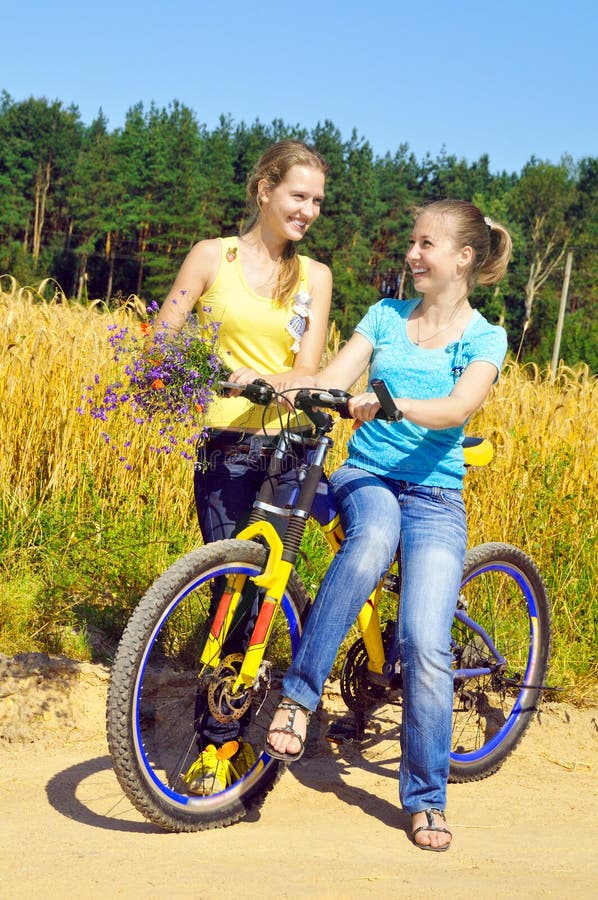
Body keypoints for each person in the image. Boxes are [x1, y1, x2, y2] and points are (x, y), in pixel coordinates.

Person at [265, 198, 512, 851]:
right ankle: (298, 696)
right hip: (366, 477)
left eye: (426, 244)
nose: (412, 254)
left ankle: (426, 797)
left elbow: (461, 405)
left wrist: (396, 402)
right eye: (412, 241)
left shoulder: (484, 337)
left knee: (426, 641)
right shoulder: (385, 316)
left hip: (436, 497)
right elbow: (337, 375)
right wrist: (295, 385)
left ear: (462, 257)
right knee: (371, 538)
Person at [154, 139, 332, 792]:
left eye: (316, 201)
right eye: (298, 195)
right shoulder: (211, 257)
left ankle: (222, 747)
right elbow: (162, 346)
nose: (308, 210)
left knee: (262, 588)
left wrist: (271, 378)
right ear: (264, 189)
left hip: (287, 450)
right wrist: (216, 373)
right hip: (224, 449)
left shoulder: (314, 276)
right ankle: (210, 722)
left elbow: (308, 370)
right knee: (230, 586)